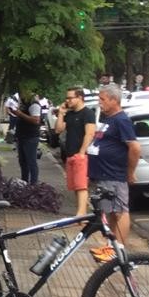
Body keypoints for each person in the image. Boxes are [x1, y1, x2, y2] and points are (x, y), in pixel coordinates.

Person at [87, 84, 139, 262]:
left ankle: (120, 250)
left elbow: (134, 147)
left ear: (114, 100)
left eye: (102, 99)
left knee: (120, 212)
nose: (99, 103)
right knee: (110, 211)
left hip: (114, 175)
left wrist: (130, 172)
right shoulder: (109, 119)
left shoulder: (121, 120)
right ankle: (111, 248)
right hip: (103, 175)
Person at [55, 87, 96, 216]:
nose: (68, 100)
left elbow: (89, 134)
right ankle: (80, 211)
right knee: (74, 186)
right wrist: (61, 113)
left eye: (70, 98)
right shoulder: (70, 114)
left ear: (80, 97)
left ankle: (81, 214)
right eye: (66, 98)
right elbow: (58, 130)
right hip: (70, 154)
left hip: (81, 155)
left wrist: (82, 152)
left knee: (82, 186)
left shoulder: (87, 113)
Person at [10, 89, 42, 184]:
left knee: (31, 161)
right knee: (23, 161)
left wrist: (20, 114)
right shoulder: (24, 103)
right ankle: (24, 182)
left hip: (30, 137)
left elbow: (36, 120)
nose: (20, 96)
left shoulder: (34, 104)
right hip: (22, 135)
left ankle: (33, 184)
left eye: (22, 93)